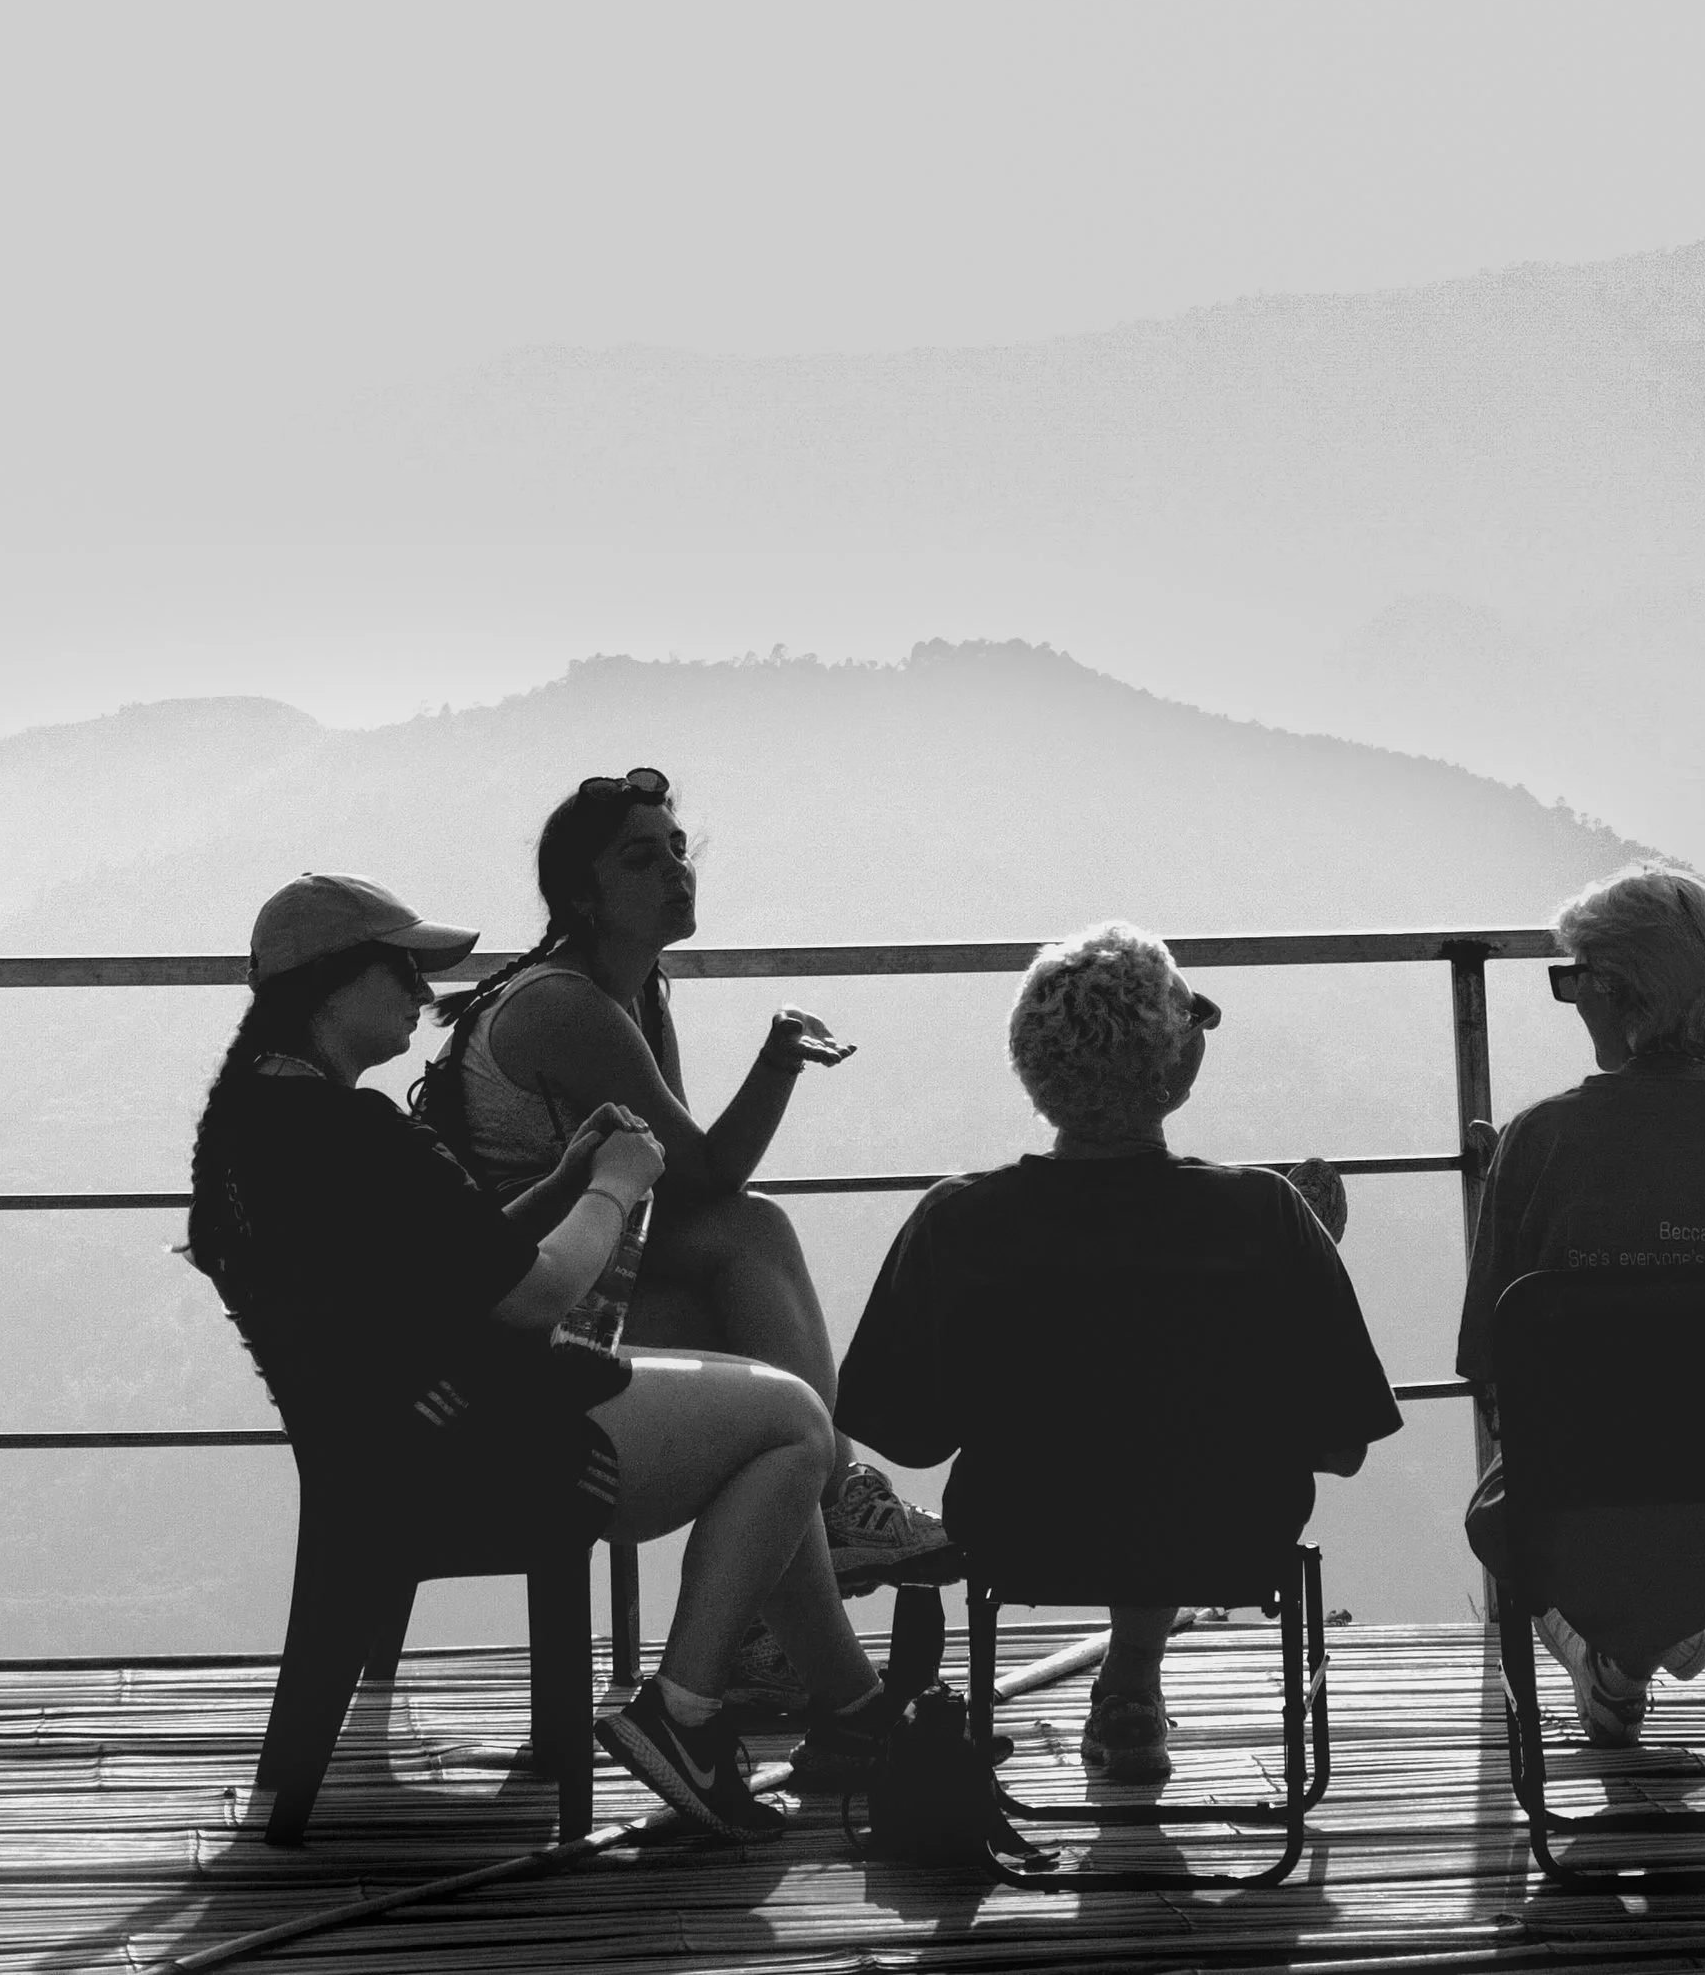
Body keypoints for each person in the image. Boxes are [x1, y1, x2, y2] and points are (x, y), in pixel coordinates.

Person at [188, 869, 894, 1839]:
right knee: (792, 1423)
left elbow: (457, 1270)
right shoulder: (349, 1134)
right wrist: (612, 1185)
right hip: (488, 1448)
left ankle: (852, 1710)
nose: (421, 992)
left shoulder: (249, 1128)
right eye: (398, 969)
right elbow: (530, 1294)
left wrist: (564, 1175)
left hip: (391, 1444)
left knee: (769, 1419)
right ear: (330, 983)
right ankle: (683, 1712)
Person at [834, 921, 1400, 1785]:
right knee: (1176, 1435)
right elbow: (1343, 1448)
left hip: (1020, 1533)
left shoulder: (958, 1223)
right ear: (1172, 1069)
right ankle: (1134, 1675)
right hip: (1229, 1534)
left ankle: (1129, 1677)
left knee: (1120, 1434)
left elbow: (906, 1435)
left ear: (1033, 1066)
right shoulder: (1266, 1215)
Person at [414, 769, 956, 1623]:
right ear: (584, 898)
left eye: (677, 849)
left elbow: (682, 1182)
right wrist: (777, 1065)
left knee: (746, 1312)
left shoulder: (633, 993)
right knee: (753, 1258)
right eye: (641, 859)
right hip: (528, 1306)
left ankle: (778, 1612)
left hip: (583, 1275)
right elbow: (700, 1175)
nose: (675, 870)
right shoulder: (565, 1006)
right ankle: (828, 1509)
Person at [1457, 864, 1705, 1744]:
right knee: (1670, 1541)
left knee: (1504, 1513)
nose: (1573, 1001)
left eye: (1573, 980)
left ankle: (1622, 1642)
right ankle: (1643, 1630)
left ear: (1614, 989)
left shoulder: (1539, 1147)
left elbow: (1491, 1363)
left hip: (1567, 1507)